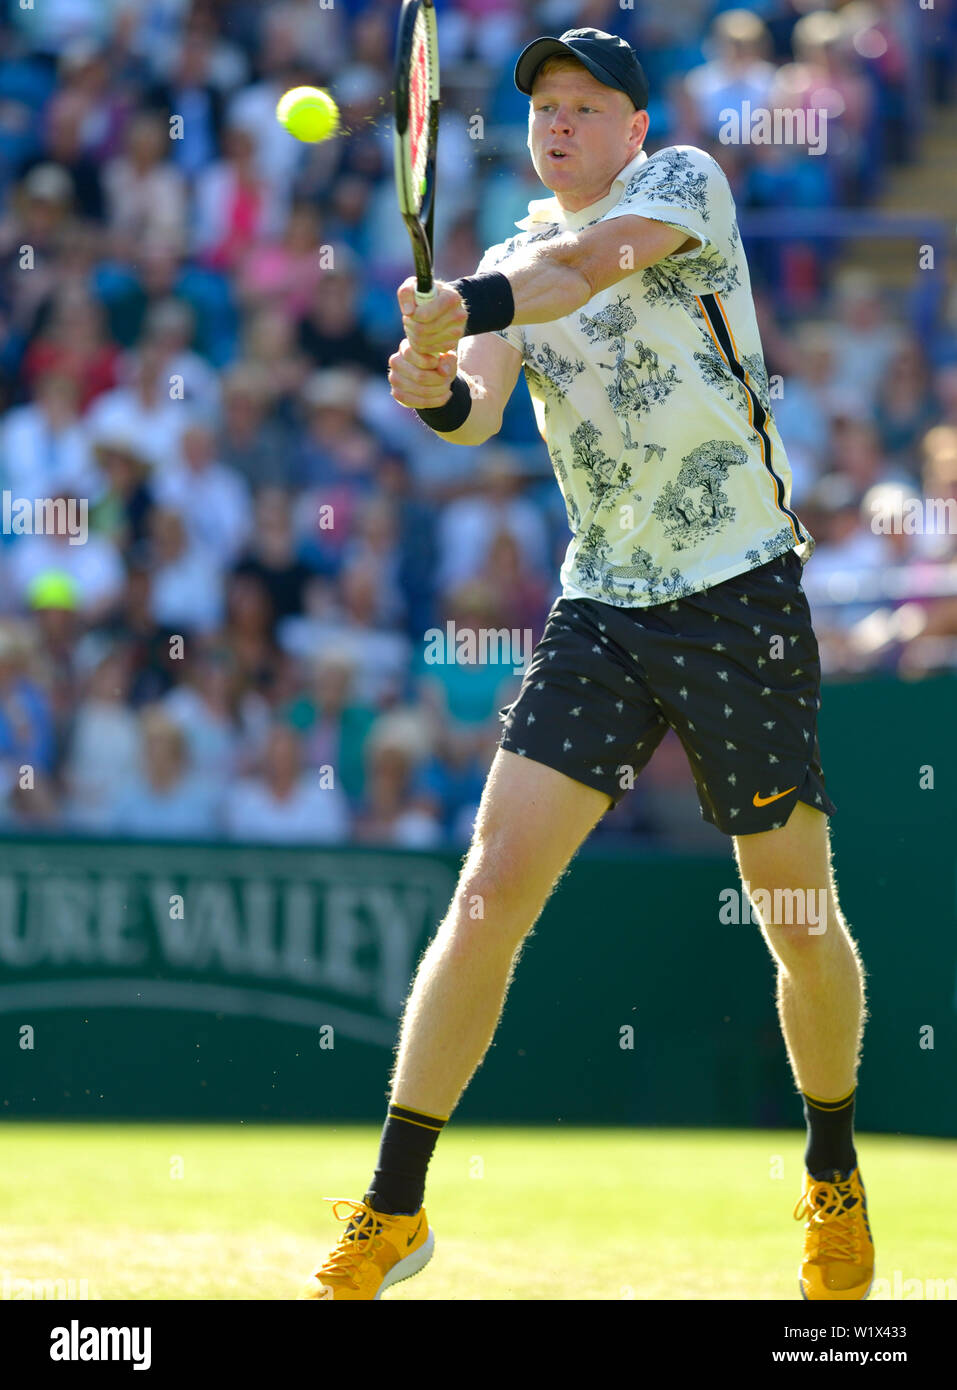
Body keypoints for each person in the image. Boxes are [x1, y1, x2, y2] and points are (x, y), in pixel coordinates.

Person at [301, 28, 872, 1303]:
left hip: (738, 595)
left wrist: (477, 306)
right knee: (490, 889)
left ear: (632, 125)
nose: (558, 125)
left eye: (583, 105)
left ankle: (832, 1172)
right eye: (544, 108)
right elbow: (482, 403)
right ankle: (395, 1208)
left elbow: (586, 269)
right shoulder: (508, 252)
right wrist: (434, 379)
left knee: (795, 918)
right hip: (602, 608)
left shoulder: (681, 188)